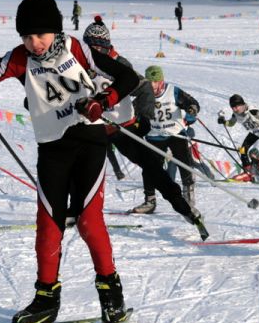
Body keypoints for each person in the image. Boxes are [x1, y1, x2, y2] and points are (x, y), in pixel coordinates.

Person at [0, 0, 138, 323]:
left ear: (56, 31)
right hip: (52, 149)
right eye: (27, 36)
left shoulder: (78, 50)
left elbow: (129, 79)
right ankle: (45, 301)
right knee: (48, 223)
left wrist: (103, 101)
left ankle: (111, 292)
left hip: (88, 141)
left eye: (41, 34)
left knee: (88, 220)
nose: (34, 43)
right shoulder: (20, 58)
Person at [81, 18, 205, 235]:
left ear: (108, 46)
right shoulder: (79, 65)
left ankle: (183, 206)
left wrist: (143, 116)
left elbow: (144, 88)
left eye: (101, 47)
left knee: (152, 166)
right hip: (96, 125)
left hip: (124, 126)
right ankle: (77, 210)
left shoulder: (119, 63)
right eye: (92, 47)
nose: (97, 52)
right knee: (81, 165)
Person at [140, 65, 200, 207]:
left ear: (161, 81)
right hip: (154, 136)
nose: (152, 85)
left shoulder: (173, 91)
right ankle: (149, 200)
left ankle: (188, 192)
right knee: (150, 167)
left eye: (154, 82)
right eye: (149, 82)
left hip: (175, 134)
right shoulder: (143, 95)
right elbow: (138, 115)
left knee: (184, 162)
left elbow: (192, 104)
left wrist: (191, 111)